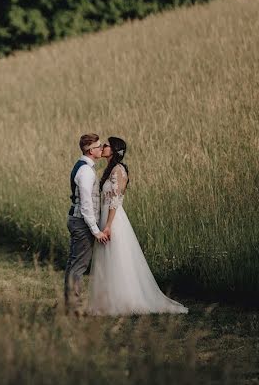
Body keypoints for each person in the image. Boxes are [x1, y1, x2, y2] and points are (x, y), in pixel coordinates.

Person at [88, 137, 188, 316]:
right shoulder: (109, 169)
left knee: (117, 256)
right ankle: (108, 299)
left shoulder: (119, 170)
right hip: (105, 217)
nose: (103, 147)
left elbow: (116, 200)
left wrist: (109, 225)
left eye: (106, 145)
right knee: (107, 258)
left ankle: (126, 299)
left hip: (114, 219)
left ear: (115, 149)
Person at [64, 133, 110, 315]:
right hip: (81, 223)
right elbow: (86, 204)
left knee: (73, 264)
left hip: (78, 221)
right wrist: (95, 230)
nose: (102, 149)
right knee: (78, 266)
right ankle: (73, 308)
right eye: (99, 147)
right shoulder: (85, 171)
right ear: (91, 151)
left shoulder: (84, 166)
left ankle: (68, 304)